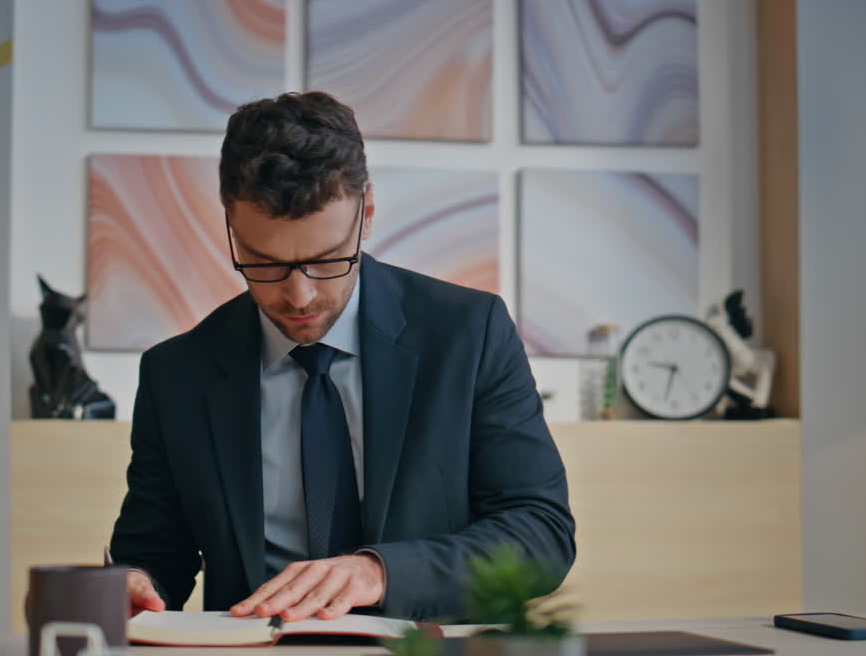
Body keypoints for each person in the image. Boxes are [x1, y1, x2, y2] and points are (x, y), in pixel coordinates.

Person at [109, 91, 574, 622]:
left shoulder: (469, 334)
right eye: (263, 264)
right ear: (232, 229)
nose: (299, 296)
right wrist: (132, 582)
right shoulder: (176, 374)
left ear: (367, 214)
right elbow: (152, 554)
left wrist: (377, 572)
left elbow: (541, 533)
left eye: (326, 260)